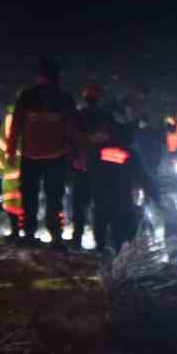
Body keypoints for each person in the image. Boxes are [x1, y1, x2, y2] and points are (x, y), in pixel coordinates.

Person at [8, 59, 78, 249]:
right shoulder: (64, 98)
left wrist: (11, 151)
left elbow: (15, 126)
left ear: (40, 77)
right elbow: (72, 129)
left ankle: (29, 235)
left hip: (30, 155)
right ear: (57, 78)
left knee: (29, 196)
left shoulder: (27, 96)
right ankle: (55, 237)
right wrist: (76, 155)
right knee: (54, 197)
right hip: (57, 155)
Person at [93, 121, 162, 252]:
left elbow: (90, 172)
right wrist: (155, 195)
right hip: (122, 196)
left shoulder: (99, 151)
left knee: (101, 224)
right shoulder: (128, 153)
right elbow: (143, 176)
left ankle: (101, 250)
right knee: (126, 230)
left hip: (100, 196)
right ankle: (124, 255)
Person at [70, 83, 112, 249]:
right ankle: (100, 242)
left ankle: (77, 239)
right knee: (98, 206)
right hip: (98, 167)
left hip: (81, 165)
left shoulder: (77, 117)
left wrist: (73, 160)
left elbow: (71, 140)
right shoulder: (105, 117)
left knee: (79, 205)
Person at [0, 104, 24, 240]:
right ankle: (28, 232)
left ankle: (15, 231)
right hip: (31, 168)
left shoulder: (8, 122)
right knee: (29, 201)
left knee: (11, 203)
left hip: (10, 171)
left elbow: (0, 146)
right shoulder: (31, 119)